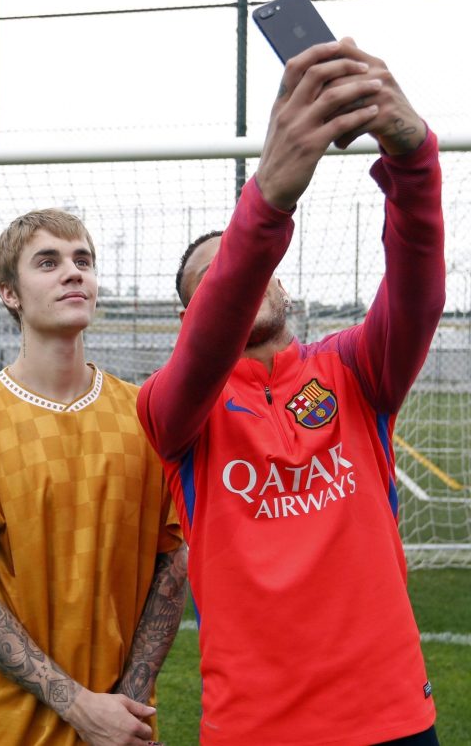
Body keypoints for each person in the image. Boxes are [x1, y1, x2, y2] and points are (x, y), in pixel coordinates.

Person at [137, 39, 443, 745]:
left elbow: (418, 297)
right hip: (259, 727)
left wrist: (414, 163)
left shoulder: (353, 371)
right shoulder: (170, 409)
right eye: (211, 282)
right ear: (195, 317)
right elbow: (212, 337)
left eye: (245, 268)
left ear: (284, 282)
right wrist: (268, 199)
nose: (240, 280)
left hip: (392, 712)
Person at [0, 208, 188, 745]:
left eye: (83, 260)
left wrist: (127, 700)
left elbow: (173, 560)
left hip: (123, 724)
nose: (73, 271)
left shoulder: (144, 415)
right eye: (48, 261)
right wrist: (79, 705)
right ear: (10, 293)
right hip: (8, 729)